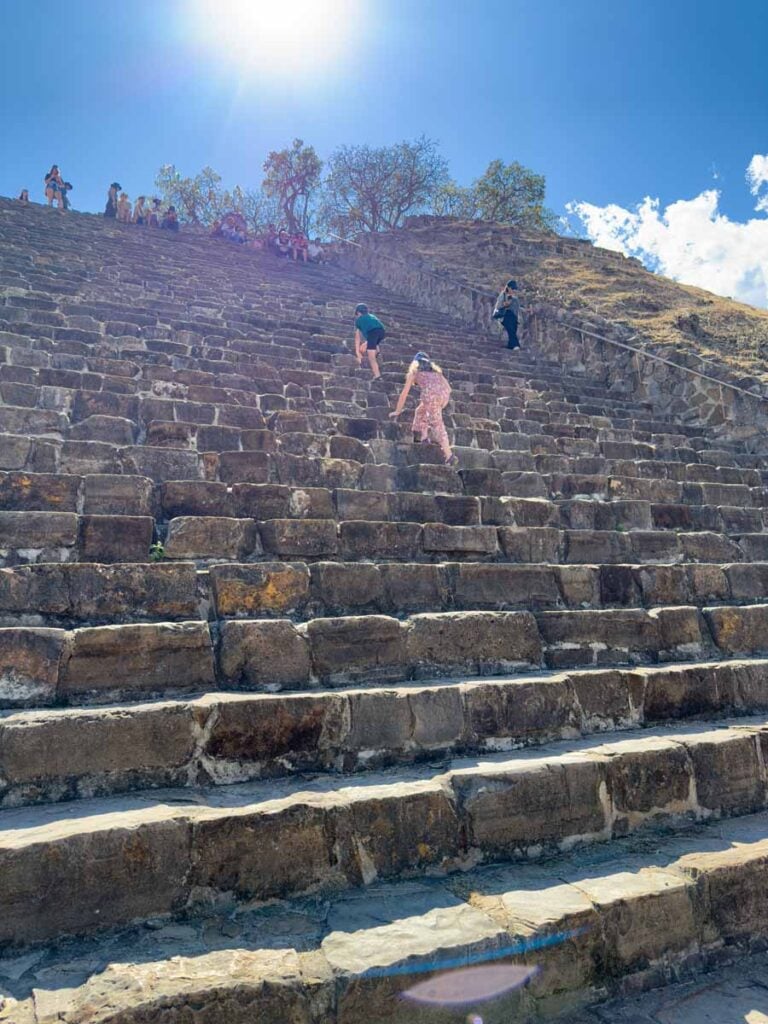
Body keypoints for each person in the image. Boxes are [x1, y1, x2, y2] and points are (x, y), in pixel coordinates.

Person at [389, 352, 454, 464]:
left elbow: (404, 393)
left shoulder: (414, 372)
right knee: (420, 410)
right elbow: (448, 388)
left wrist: (398, 410)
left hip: (430, 395)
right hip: (443, 395)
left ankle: (449, 455)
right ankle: (423, 437)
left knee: (437, 423)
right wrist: (443, 402)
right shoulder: (437, 373)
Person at [353, 303, 385, 380]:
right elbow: (377, 329)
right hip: (382, 332)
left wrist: (357, 351)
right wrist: (366, 343)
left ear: (358, 313)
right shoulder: (372, 316)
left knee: (371, 357)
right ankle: (377, 351)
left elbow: (357, 337)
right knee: (373, 342)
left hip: (372, 333)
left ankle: (377, 376)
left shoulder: (359, 320)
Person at [492, 278, 521, 350]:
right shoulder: (503, 295)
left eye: (514, 289)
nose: (513, 290)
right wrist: (505, 305)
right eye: (512, 288)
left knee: (513, 330)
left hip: (514, 316)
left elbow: (518, 307)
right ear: (508, 287)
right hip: (506, 315)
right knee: (511, 330)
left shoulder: (514, 298)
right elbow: (498, 306)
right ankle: (516, 345)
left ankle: (511, 345)